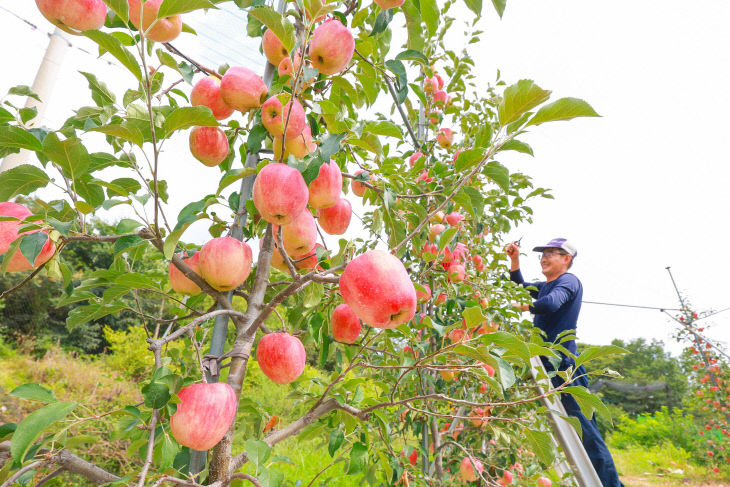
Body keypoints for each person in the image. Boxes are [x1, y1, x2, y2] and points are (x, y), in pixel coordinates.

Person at [505, 237, 624, 487]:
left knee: (586, 434)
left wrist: (526, 306)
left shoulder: (568, 281)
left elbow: (550, 303)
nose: (544, 257)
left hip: (565, 368)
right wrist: (515, 260)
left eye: (551, 253)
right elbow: (519, 287)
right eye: (542, 254)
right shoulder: (546, 285)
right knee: (575, 431)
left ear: (566, 259)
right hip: (547, 365)